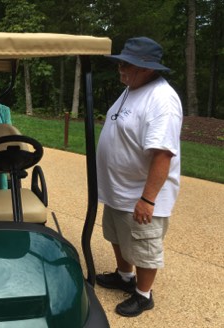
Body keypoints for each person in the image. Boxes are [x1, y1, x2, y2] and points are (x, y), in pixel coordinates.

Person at [95, 37, 183, 317]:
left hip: (140, 193)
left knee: (145, 245)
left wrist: (148, 199)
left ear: (146, 67)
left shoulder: (162, 99)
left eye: (125, 64)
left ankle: (144, 295)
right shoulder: (133, 88)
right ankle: (124, 277)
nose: (119, 68)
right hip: (119, 190)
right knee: (117, 234)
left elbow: (163, 154)